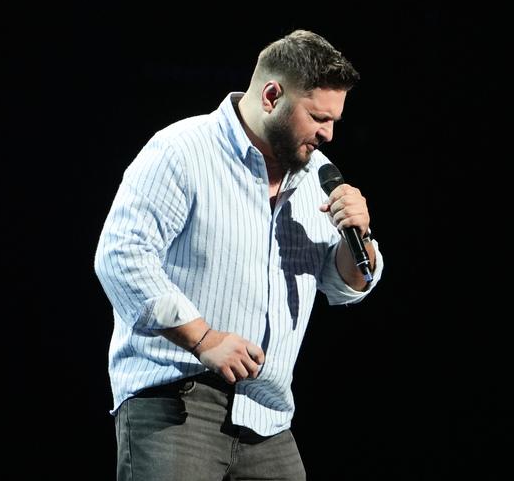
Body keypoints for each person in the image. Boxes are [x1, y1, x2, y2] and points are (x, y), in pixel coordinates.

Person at [94, 29, 384, 481]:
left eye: (334, 121)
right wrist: (204, 339)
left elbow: (344, 285)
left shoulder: (317, 176)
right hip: (177, 405)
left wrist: (359, 236)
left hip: (269, 416)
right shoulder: (183, 150)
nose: (328, 134)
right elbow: (120, 257)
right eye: (317, 117)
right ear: (271, 96)